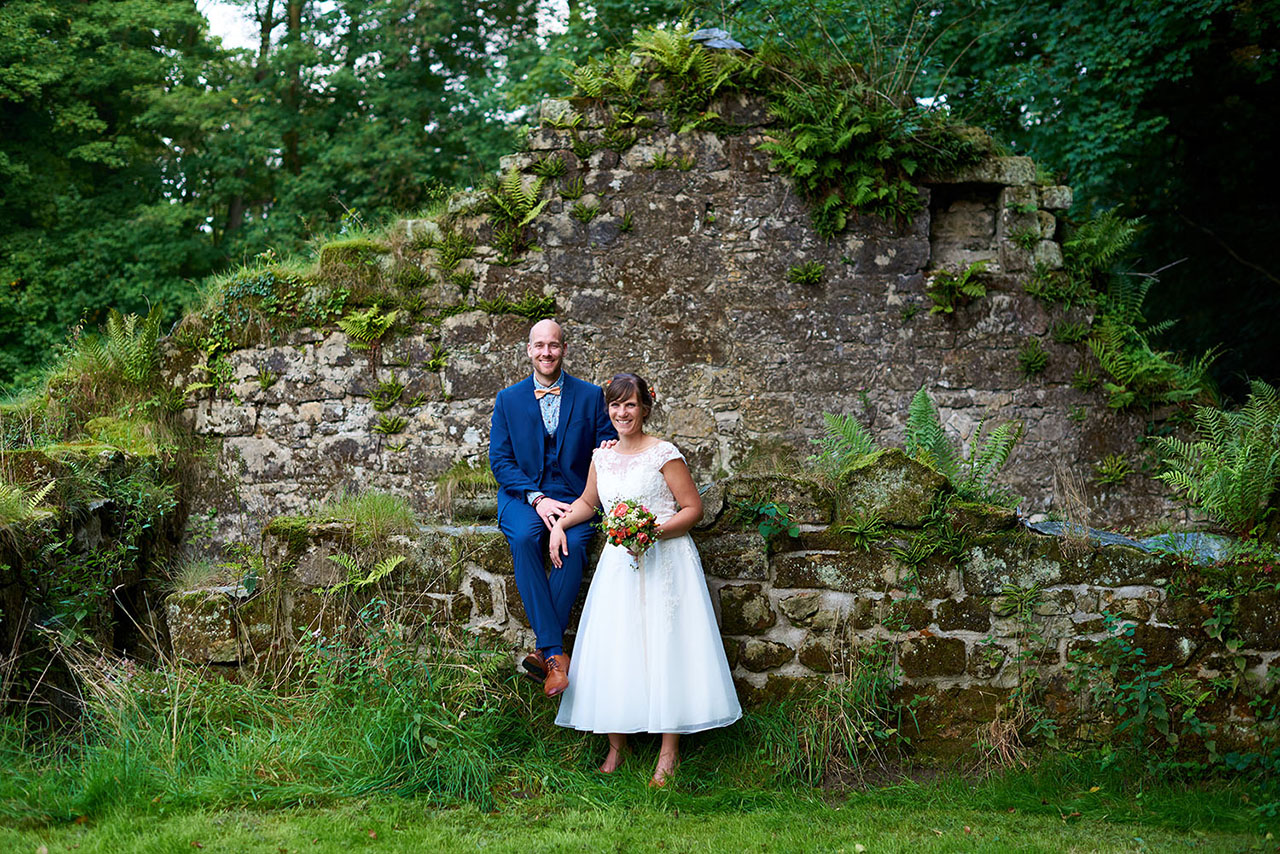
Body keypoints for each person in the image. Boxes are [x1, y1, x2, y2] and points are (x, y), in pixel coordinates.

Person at [547, 373, 741, 786]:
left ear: (645, 408)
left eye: (630, 405)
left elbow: (692, 510)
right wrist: (561, 525)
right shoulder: (603, 456)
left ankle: (668, 753)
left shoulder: (664, 453)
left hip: (666, 561)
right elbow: (588, 501)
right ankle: (618, 745)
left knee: (666, 647)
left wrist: (652, 532)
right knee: (617, 647)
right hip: (619, 566)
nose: (622, 413)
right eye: (615, 406)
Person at [489, 319, 617, 698]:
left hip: (577, 496)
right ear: (529, 350)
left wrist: (607, 449)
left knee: (575, 544)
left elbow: (606, 441)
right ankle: (556, 655)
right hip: (522, 495)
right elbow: (500, 460)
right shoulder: (507, 399)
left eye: (554, 346)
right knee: (526, 537)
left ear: (564, 349)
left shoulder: (591, 395)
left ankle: (545, 654)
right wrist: (537, 498)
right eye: (539, 346)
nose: (547, 353)